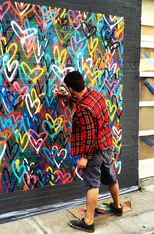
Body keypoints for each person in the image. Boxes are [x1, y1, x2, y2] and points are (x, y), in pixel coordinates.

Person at [56, 70, 123, 233]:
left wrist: (85, 157)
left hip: (94, 151)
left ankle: (88, 222)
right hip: (107, 144)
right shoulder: (96, 95)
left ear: (71, 88)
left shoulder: (83, 109)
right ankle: (117, 206)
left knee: (92, 184)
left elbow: (89, 136)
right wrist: (67, 96)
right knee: (111, 177)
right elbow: (84, 102)